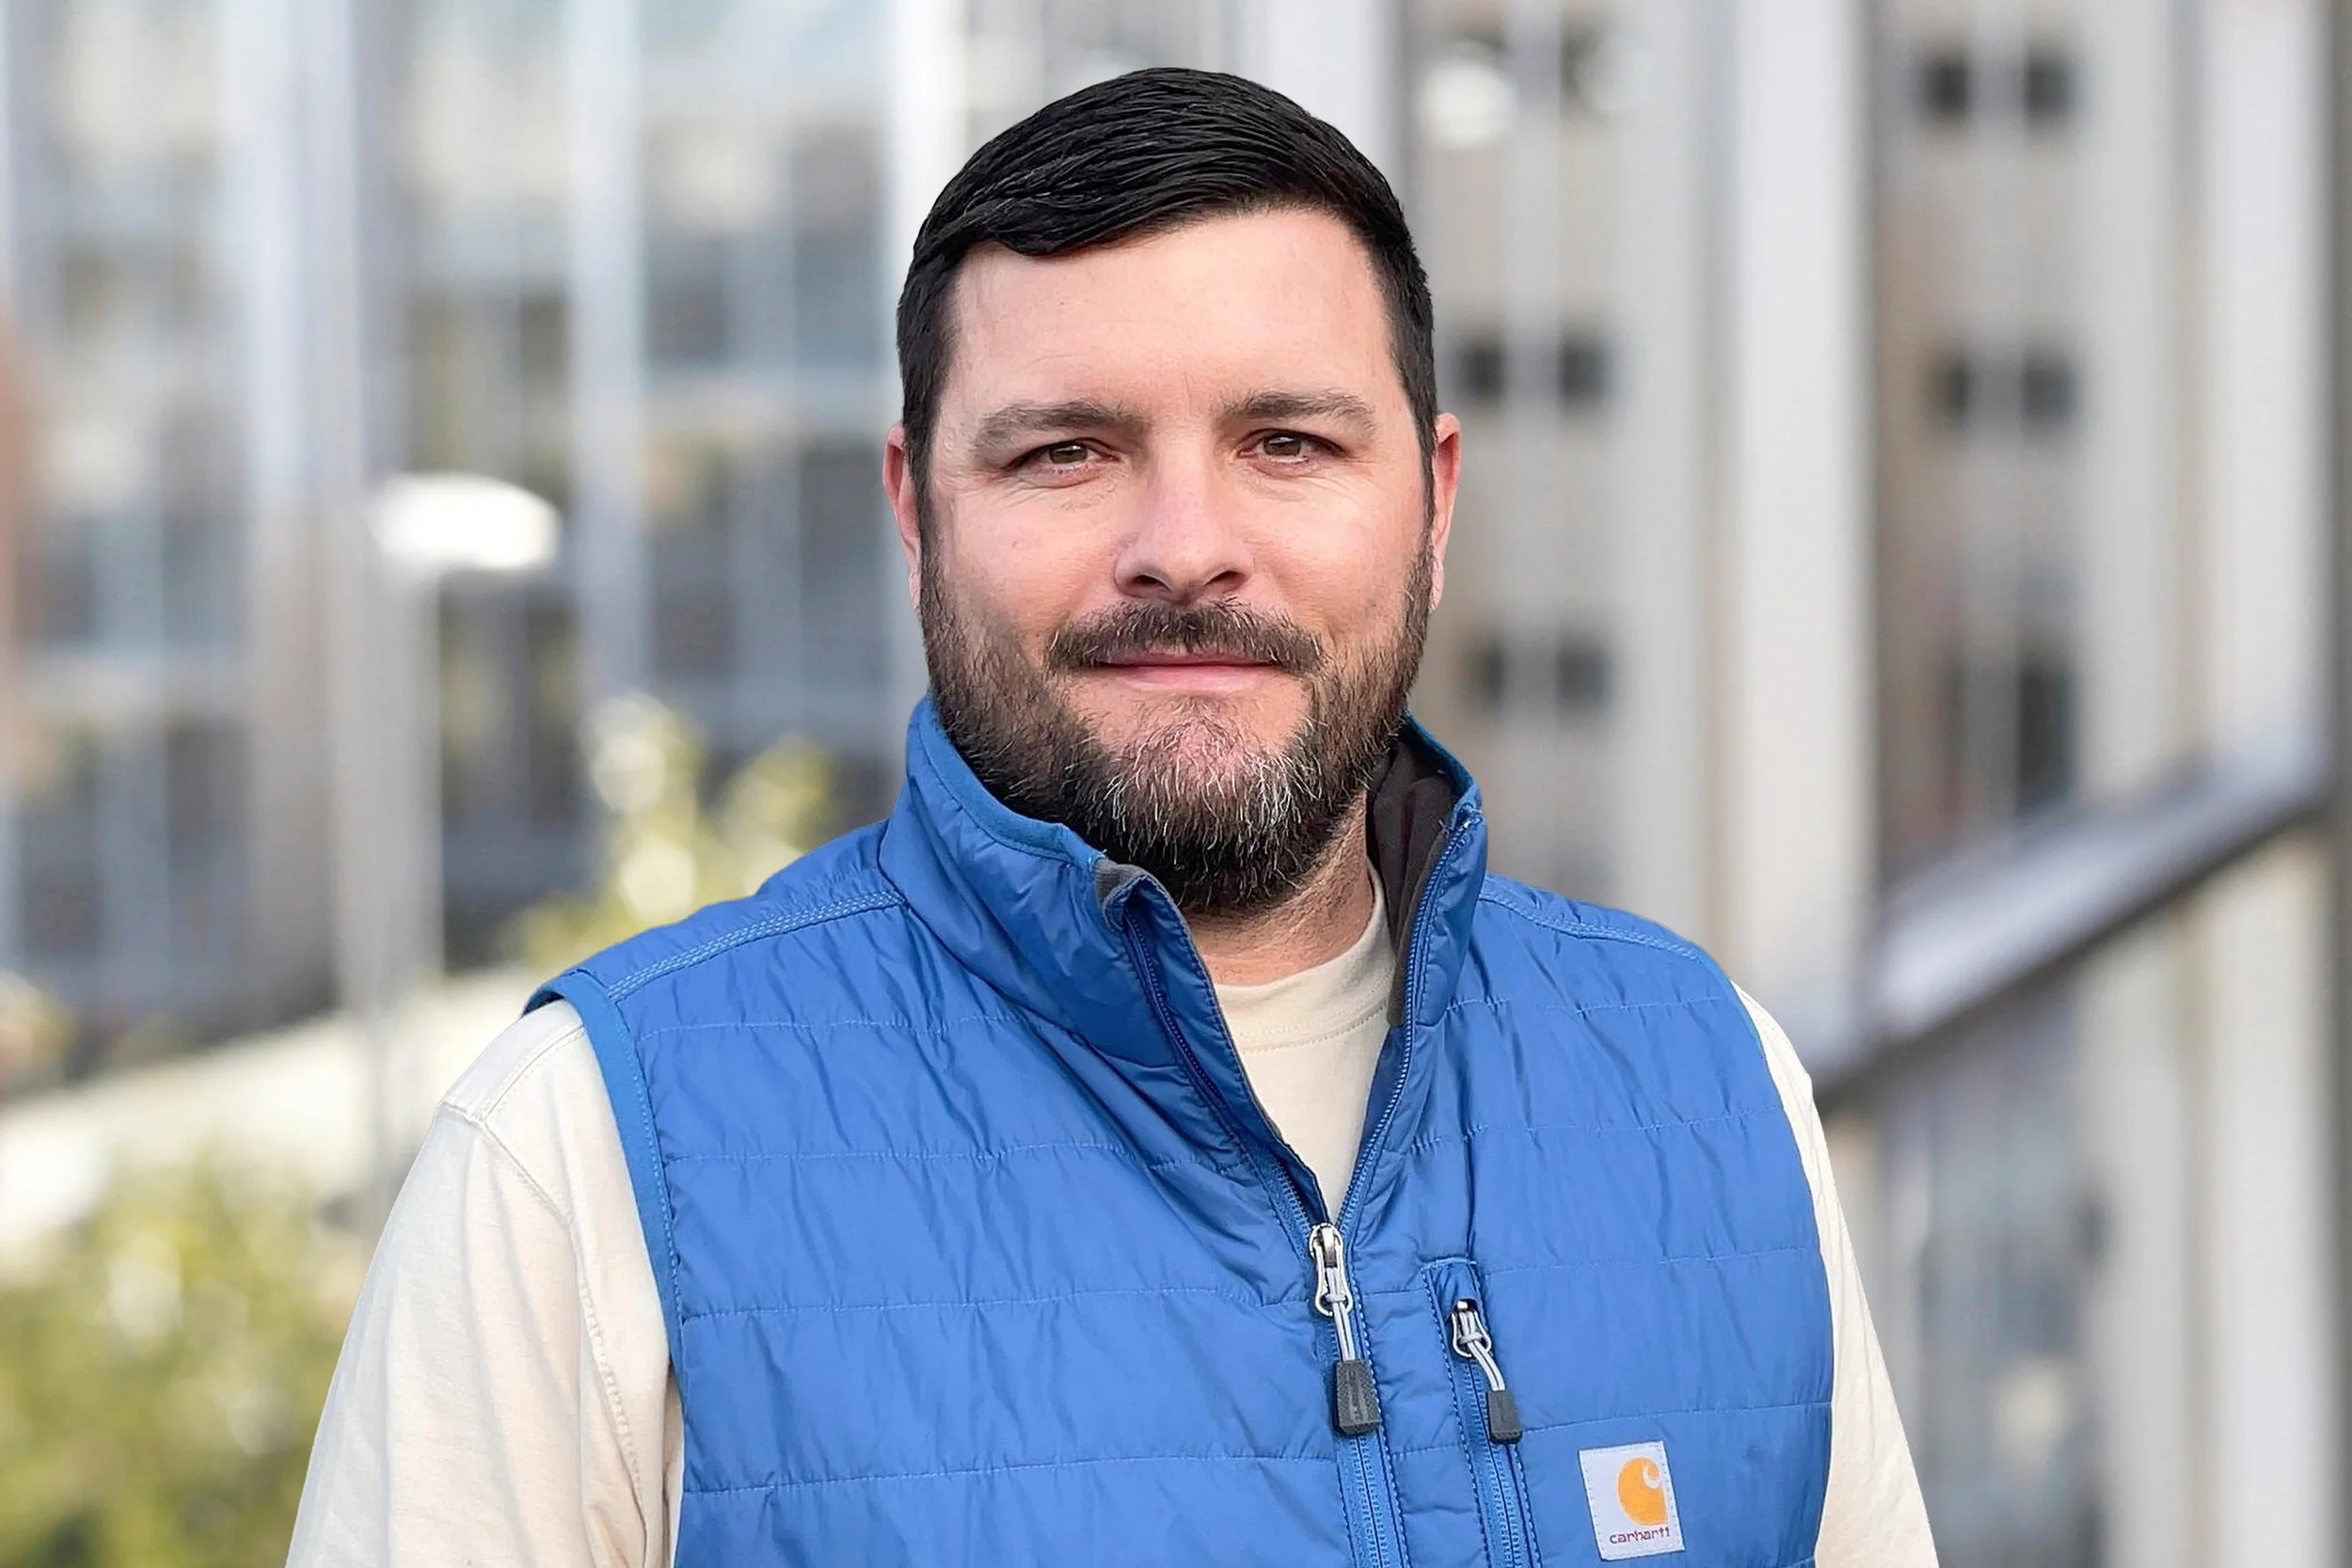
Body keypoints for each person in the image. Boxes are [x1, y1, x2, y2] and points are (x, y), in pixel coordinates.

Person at [290, 67, 1935, 1567]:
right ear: (915, 510)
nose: (1185, 545)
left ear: (1434, 499)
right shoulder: (580, 1154)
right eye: (1068, 453)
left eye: (1286, 442)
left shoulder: (1710, 1076)